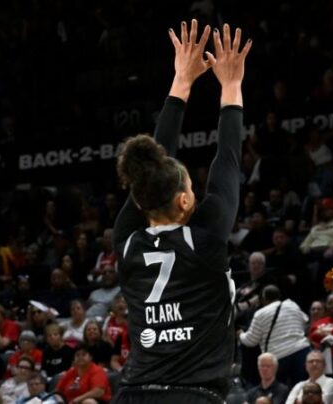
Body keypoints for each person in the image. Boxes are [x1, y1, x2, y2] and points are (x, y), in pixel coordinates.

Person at [111, 19, 251, 404]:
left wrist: (182, 82)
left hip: (133, 395)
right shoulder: (204, 239)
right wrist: (232, 85)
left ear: (139, 202)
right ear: (186, 201)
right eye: (190, 186)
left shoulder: (127, 242)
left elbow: (155, 164)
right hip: (192, 396)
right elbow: (228, 161)